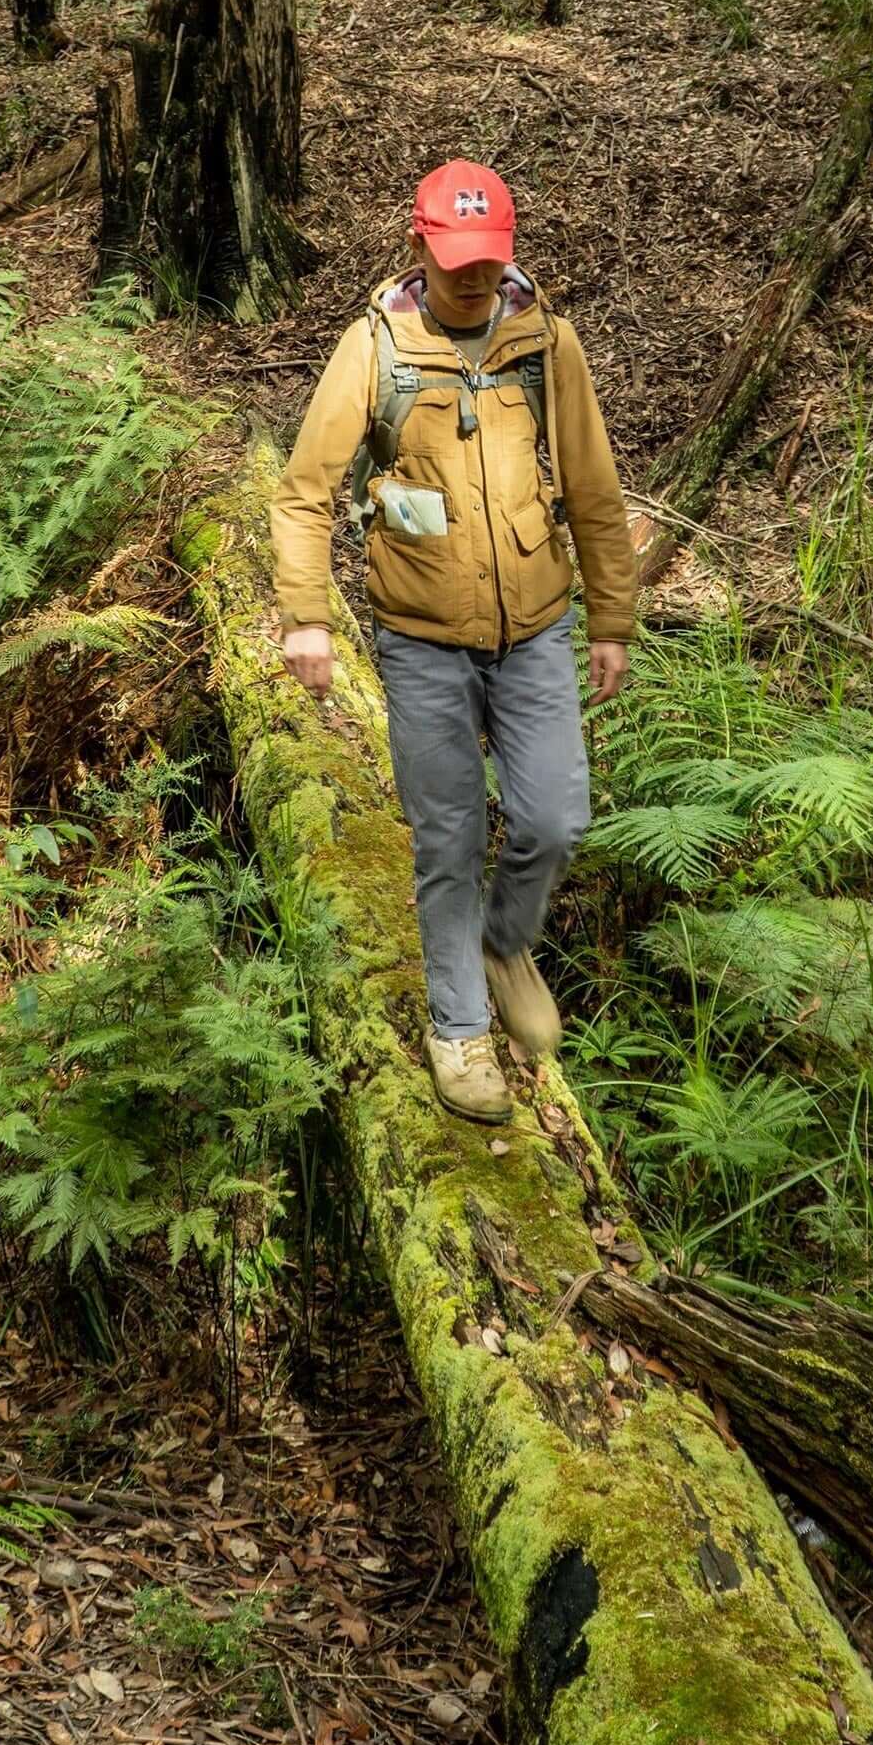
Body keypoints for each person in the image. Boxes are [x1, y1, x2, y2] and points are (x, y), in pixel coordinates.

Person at [270, 159, 637, 1125]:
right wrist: (305, 612)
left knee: (555, 816)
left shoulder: (545, 346)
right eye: (454, 260)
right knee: (448, 836)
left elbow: (594, 492)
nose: (471, 279)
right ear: (417, 242)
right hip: (421, 635)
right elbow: (305, 492)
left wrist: (612, 617)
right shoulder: (374, 349)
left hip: (537, 630)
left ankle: (502, 941)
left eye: (487, 262)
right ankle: (459, 1028)